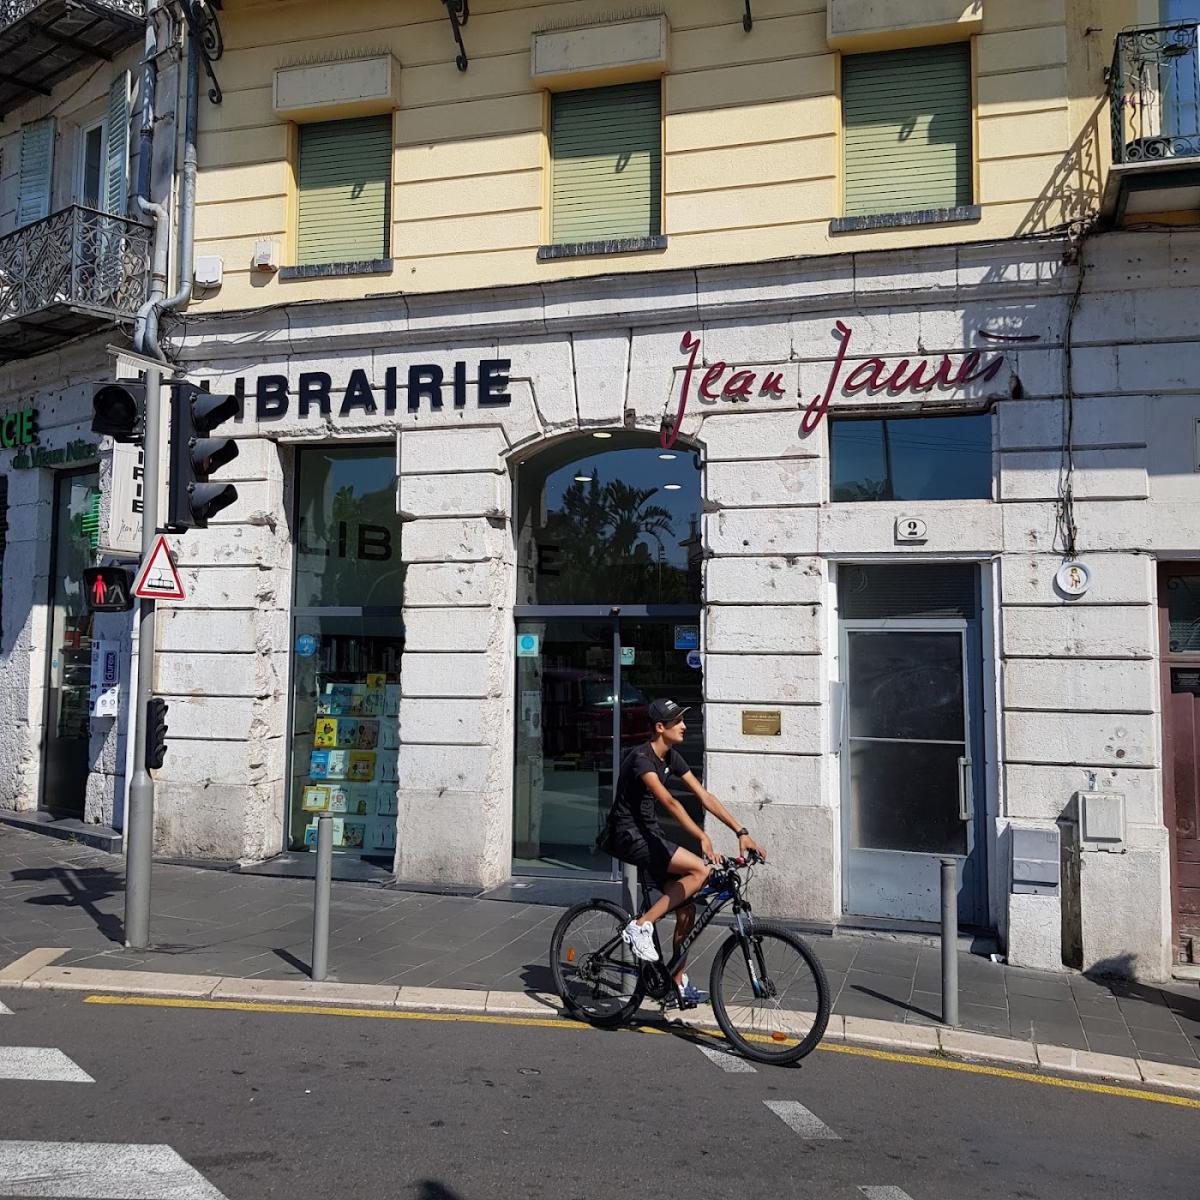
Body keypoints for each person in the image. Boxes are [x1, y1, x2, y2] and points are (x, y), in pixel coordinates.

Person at [602, 698, 766, 1003]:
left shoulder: (671, 757)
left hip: (649, 836)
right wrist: (702, 836)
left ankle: (677, 981)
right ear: (659, 728)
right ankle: (640, 927)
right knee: (700, 869)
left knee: (687, 909)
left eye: (683, 720)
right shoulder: (642, 759)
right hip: (628, 835)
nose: (683, 726)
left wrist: (741, 832)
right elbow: (670, 802)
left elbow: (704, 796)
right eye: (676, 721)